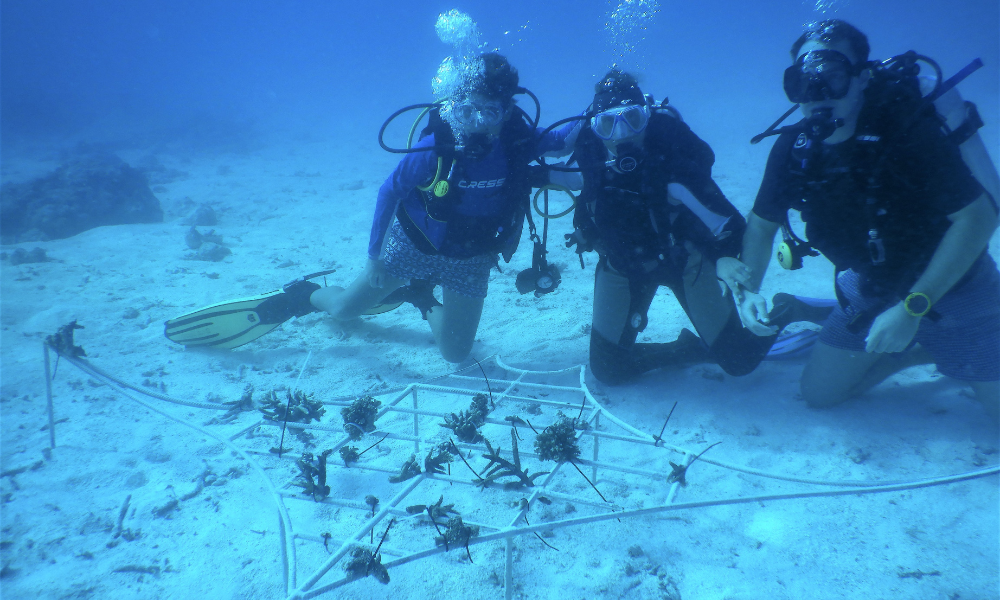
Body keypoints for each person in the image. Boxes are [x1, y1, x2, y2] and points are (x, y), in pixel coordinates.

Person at [734, 20, 1000, 418]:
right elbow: (760, 224)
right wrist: (749, 289)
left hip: (956, 283)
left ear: (862, 78)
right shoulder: (796, 148)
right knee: (819, 394)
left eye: (833, 78)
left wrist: (912, 310)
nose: (817, 96)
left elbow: (978, 219)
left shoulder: (908, 133)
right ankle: (914, 350)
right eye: (804, 83)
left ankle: (928, 331)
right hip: (874, 285)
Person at [565, 70, 832, 384]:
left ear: (647, 118)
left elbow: (730, 224)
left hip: (686, 262)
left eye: (633, 119)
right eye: (607, 124)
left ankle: (788, 308)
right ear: (595, 128)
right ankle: (688, 349)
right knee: (608, 370)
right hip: (622, 267)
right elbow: (534, 176)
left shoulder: (673, 165)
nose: (621, 134)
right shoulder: (588, 162)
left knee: (739, 361)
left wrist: (722, 257)